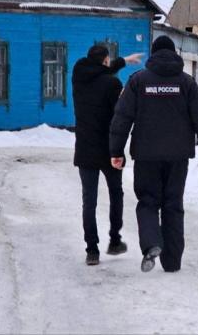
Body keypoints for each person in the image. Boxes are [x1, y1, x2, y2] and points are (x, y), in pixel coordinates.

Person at [110, 36, 198, 273]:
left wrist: (116, 150)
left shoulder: (138, 81)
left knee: (148, 202)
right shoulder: (186, 83)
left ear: (153, 54)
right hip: (177, 156)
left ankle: (151, 244)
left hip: (146, 155)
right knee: (173, 205)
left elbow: (122, 117)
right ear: (173, 54)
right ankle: (172, 262)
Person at [72, 45, 144, 266]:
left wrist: (122, 61)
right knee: (116, 193)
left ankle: (91, 251)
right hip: (109, 148)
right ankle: (114, 240)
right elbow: (119, 116)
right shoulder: (112, 84)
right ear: (104, 61)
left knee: (89, 201)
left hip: (85, 149)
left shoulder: (78, 78)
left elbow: (99, 72)